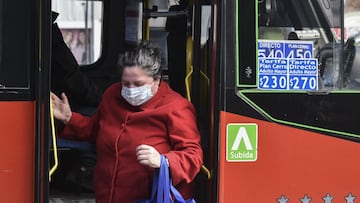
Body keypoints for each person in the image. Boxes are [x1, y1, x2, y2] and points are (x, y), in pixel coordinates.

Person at [51, 41, 204, 203]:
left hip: (151, 198)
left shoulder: (176, 107)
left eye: (138, 84)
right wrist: (69, 118)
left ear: (157, 80)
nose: (130, 90)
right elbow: (97, 130)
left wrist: (163, 161)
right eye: (126, 83)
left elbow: (193, 156)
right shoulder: (112, 95)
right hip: (107, 195)